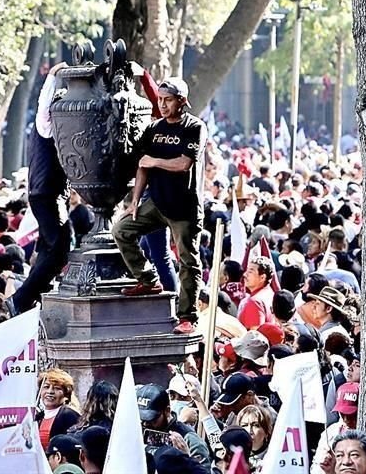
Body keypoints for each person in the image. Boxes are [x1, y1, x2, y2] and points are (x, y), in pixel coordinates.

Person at [113, 77, 208, 335]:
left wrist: (154, 161)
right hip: (155, 202)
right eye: (160, 100)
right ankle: (147, 279)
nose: (163, 105)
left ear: (182, 101)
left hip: (184, 208)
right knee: (121, 230)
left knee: (188, 261)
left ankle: (187, 316)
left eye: (168, 100)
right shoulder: (153, 128)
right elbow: (142, 165)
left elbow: (183, 164)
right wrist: (135, 200)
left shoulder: (194, 127)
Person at [9, 63, 72, 315]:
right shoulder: (46, 125)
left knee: (49, 248)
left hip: (49, 194)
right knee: (60, 250)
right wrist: (53, 75)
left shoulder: (60, 134)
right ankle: (21, 299)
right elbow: (44, 102)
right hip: (47, 194)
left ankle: (35, 294)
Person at [137, 383, 210, 465]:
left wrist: (185, 461)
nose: (145, 424)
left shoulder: (189, 439)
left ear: (167, 411)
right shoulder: (138, 434)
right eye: (142, 419)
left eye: (152, 419)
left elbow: (203, 469)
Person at [312, 382, 360, 474]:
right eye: (343, 413)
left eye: (351, 414)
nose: (346, 419)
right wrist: (323, 466)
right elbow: (315, 468)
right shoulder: (330, 433)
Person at [36, 369, 80, 449]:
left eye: (56, 388)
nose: (50, 392)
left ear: (66, 393)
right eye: (46, 387)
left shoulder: (70, 416)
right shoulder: (37, 417)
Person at [237, 256, 277, 330]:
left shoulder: (255, 302)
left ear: (262, 277)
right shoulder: (270, 294)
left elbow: (255, 334)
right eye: (247, 270)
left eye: (250, 272)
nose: (245, 274)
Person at [235, 404, 274, 470]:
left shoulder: (275, 457)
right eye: (244, 425)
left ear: (267, 432)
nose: (249, 431)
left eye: (255, 425)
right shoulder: (234, 458)